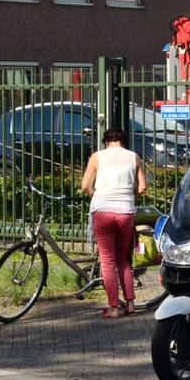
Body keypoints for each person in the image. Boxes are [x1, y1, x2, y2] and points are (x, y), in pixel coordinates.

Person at [80, 128, 147, 318]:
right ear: (123, 142)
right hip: (126, 212)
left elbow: (85, 185)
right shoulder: (134, 157)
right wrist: (127, 195)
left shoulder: (97, 157)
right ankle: (131, 305)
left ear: (107, 142)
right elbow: (142, 187)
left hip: (102, 211)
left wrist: (97, 194)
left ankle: (114, 308)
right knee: (123, 260)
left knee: (108, 261)